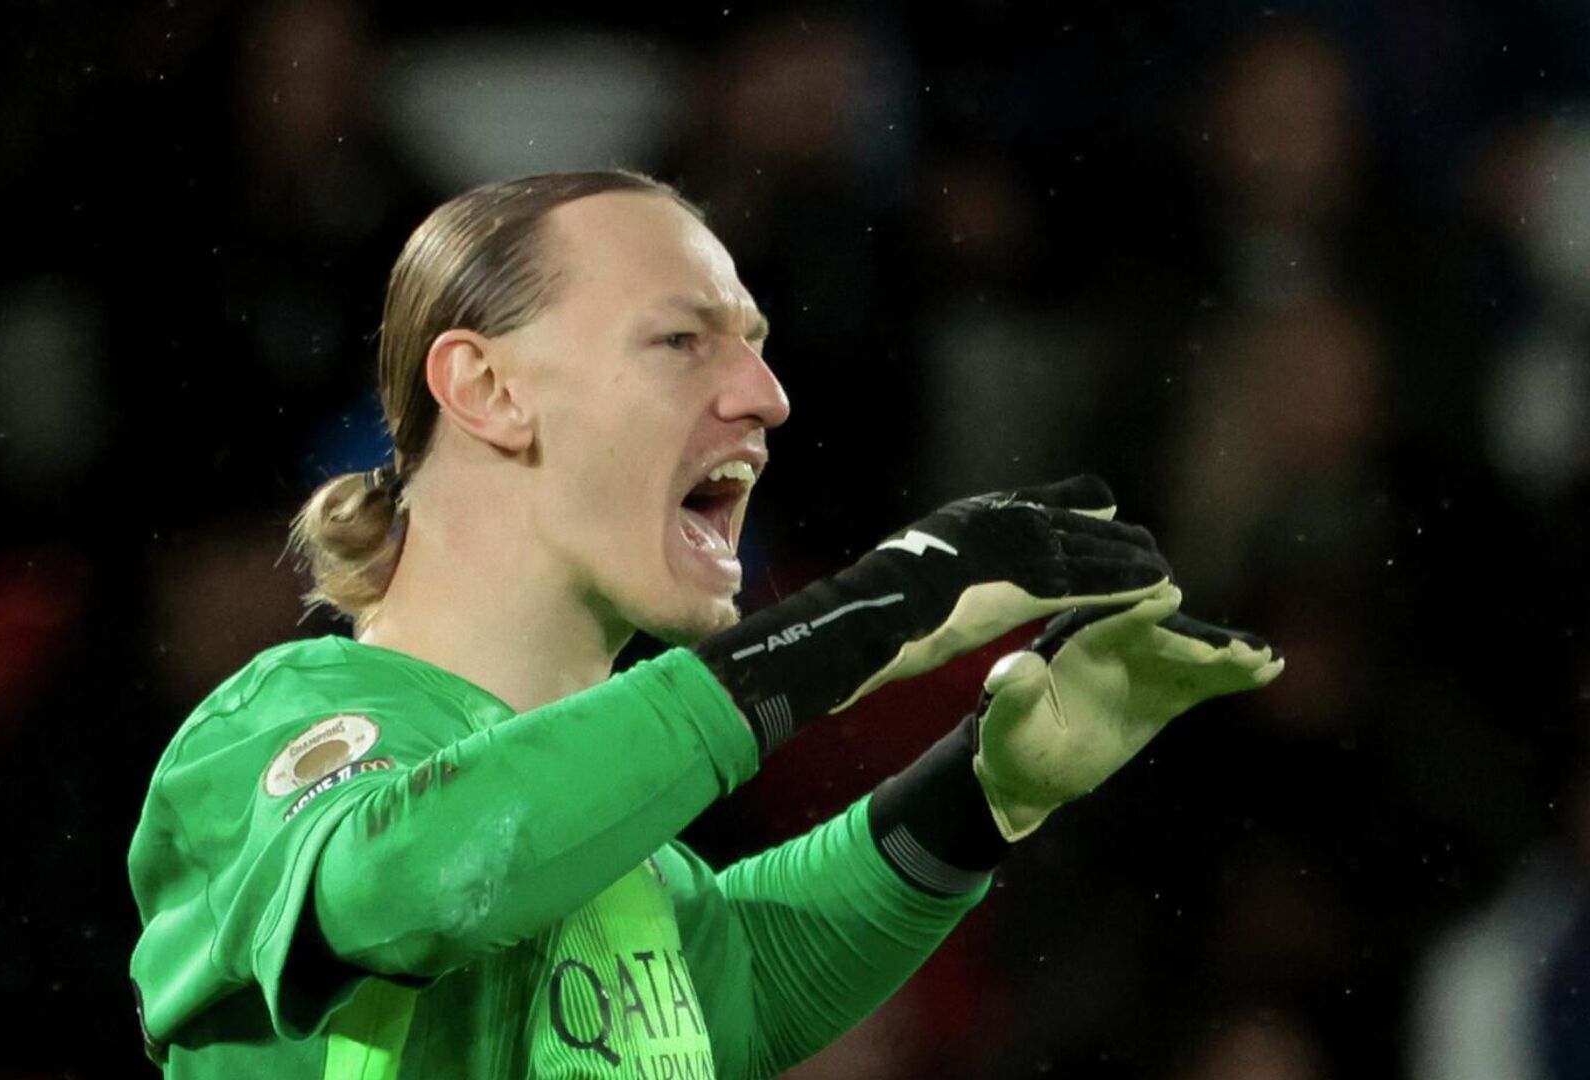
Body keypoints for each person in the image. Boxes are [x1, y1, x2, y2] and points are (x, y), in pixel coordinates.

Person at [126, 170, 1284, 1078]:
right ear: (486, 389)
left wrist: (982, 792)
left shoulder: (630, 861)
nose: (765, 397)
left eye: (757, 347)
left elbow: (742, 980)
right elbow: (411, 883)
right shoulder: (269, 728)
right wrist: (845, 625)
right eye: (682, 341)